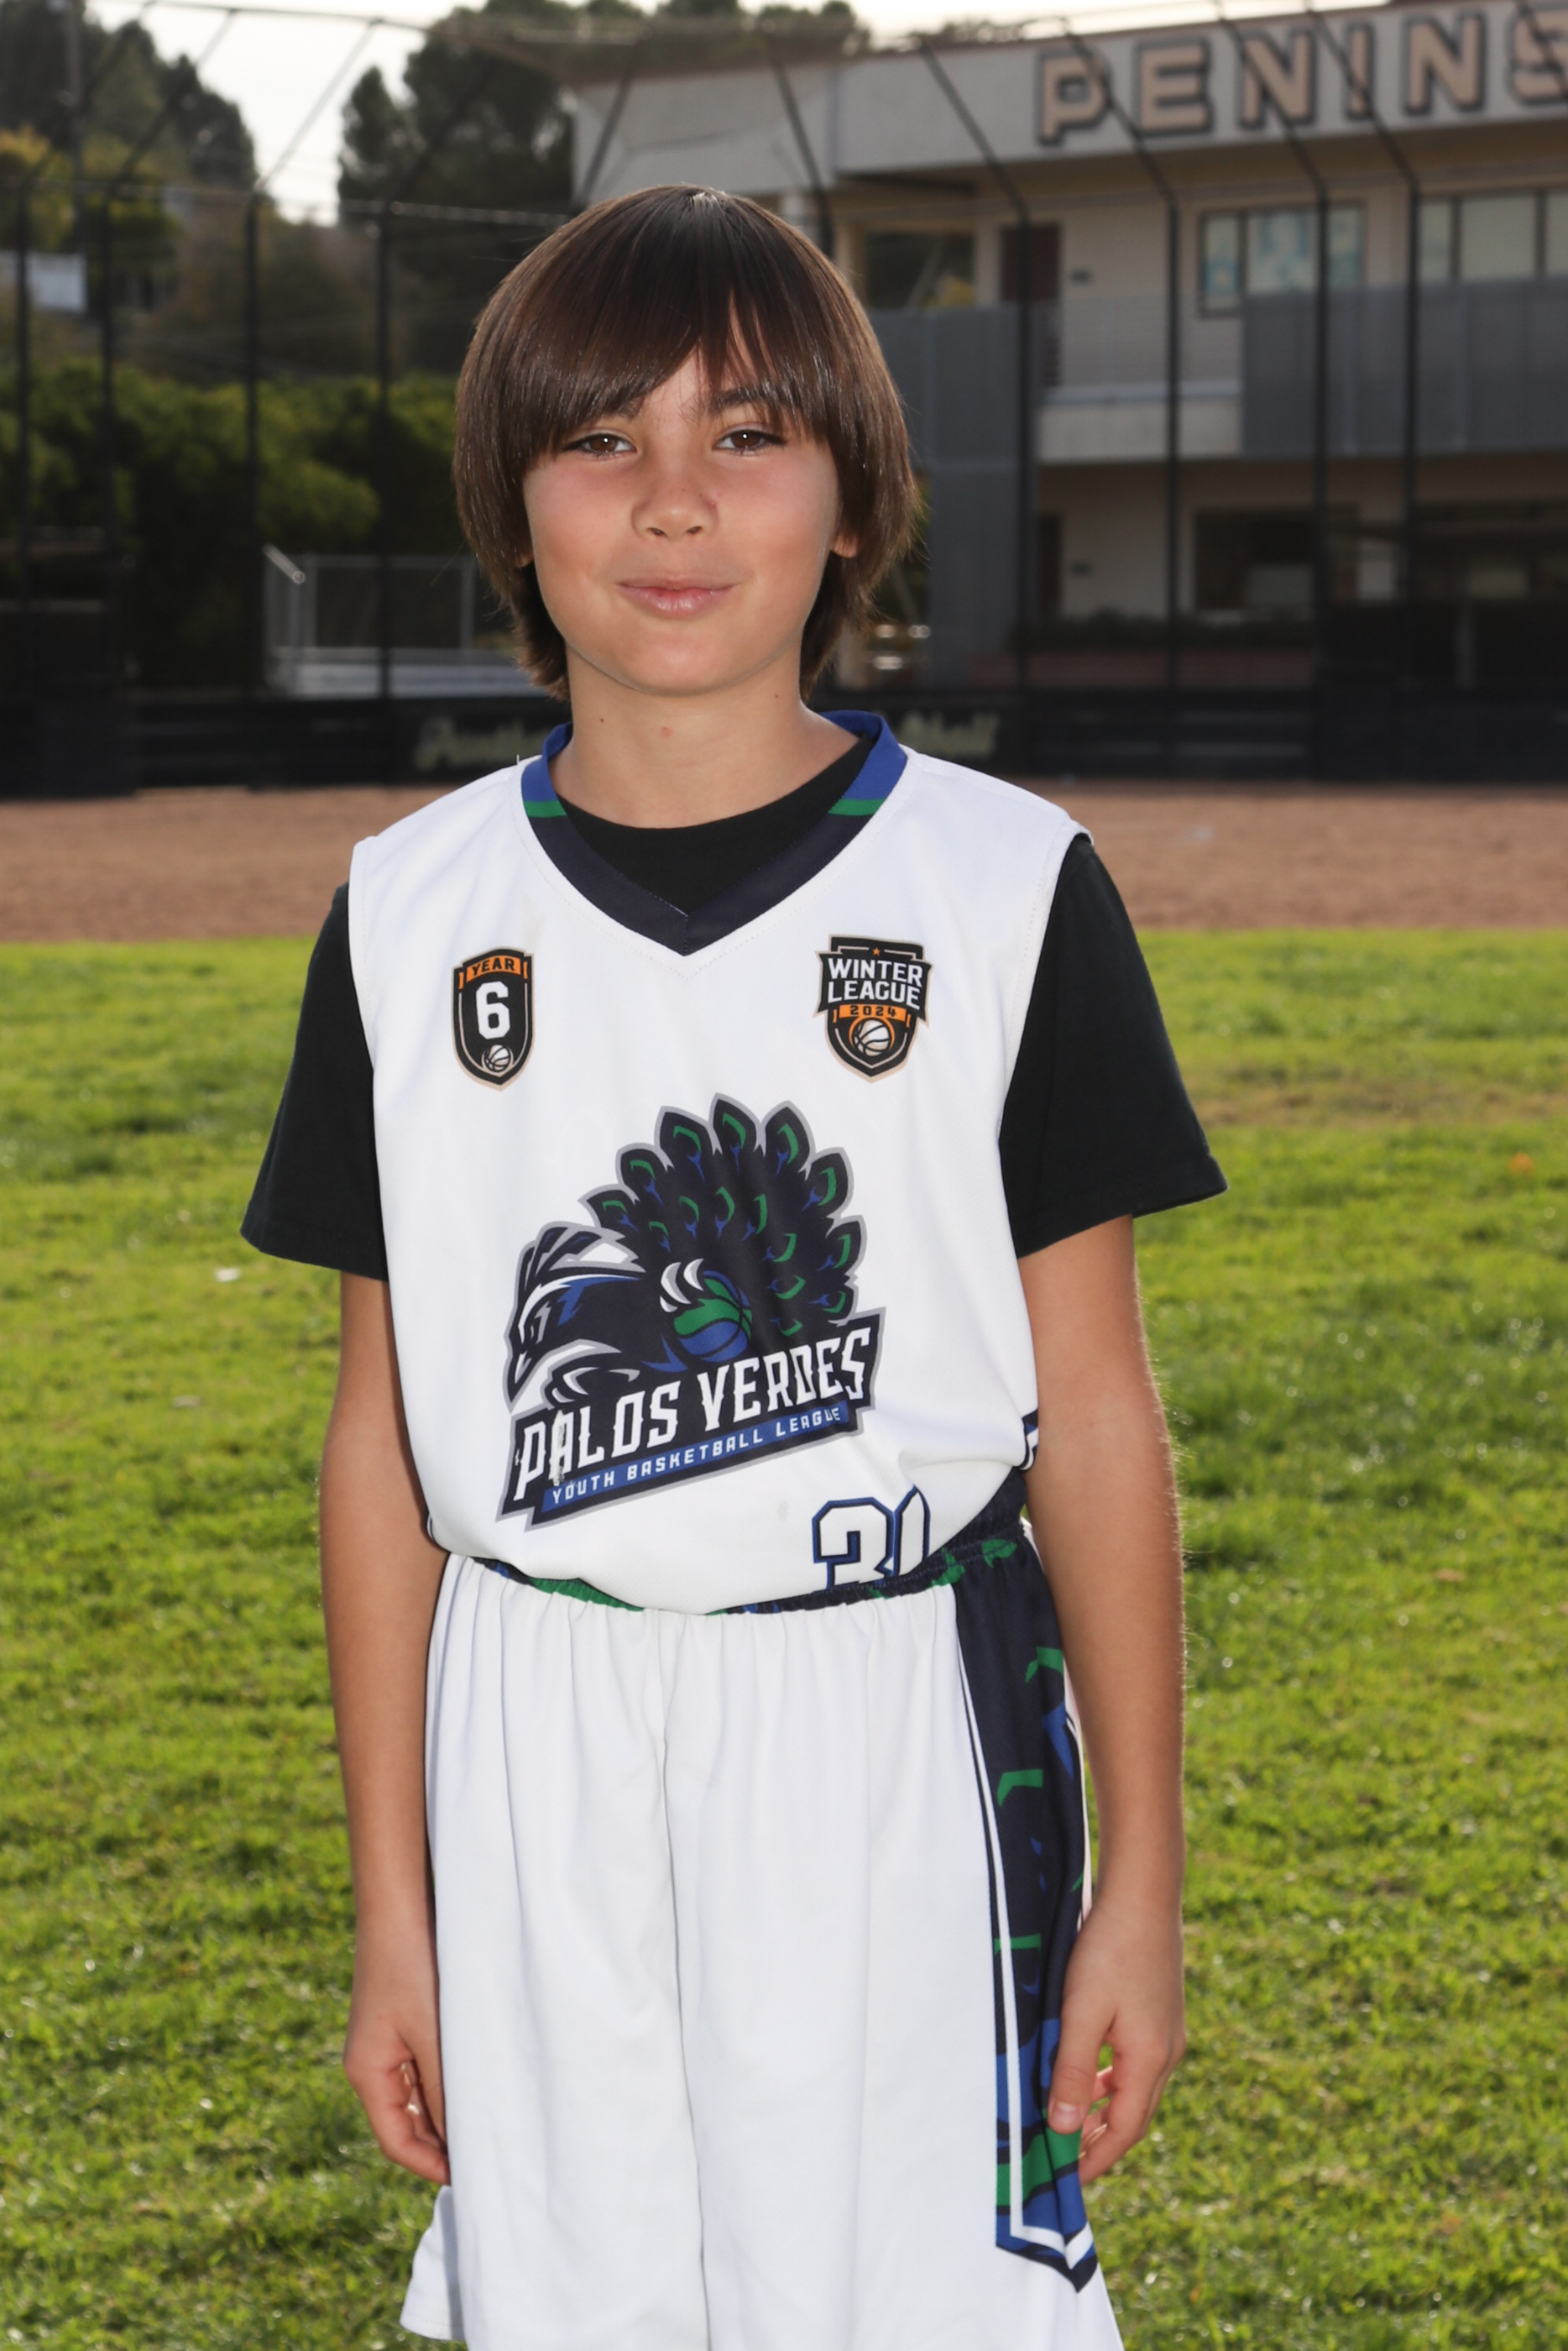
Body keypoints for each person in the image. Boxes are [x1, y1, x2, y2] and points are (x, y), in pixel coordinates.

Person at [243, 184, 1224, 2351]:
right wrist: (395, 1908)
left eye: (750, 434)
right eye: (603, 439)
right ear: (513, 507)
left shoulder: (1006, 887)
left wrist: (1142, 1881)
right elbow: (379, 1443)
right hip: (538, 1719)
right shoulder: (408, 914)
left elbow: (1095, 1414)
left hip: (894, 1725)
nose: (674, 502)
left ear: (853, 500)